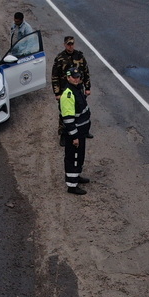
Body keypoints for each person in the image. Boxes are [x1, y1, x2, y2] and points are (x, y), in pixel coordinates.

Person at [59, 67, 92, 195]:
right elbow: (67, 119)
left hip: (81, 132)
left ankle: (76, 176)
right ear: (68, 77)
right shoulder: (68, 95)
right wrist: (74, 137)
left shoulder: (77, 89)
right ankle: (72, 186)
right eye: (74, 77)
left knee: (79, 157)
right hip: (75, 134)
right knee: (73, 158)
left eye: (78, 76)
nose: (77, 79)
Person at [52, 36, 92, 137]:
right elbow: (55, 76)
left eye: (72, 44)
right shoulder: (60, 58)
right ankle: (63, 134)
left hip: (78, 89)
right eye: (68, 44)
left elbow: (86, 72)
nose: (70, 46)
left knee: (81, 109)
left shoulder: (80, 56)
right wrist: (57, 93)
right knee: (64, 113)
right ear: (65, 44)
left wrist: (87, 87)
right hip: (64, 90)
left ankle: (84, 130)